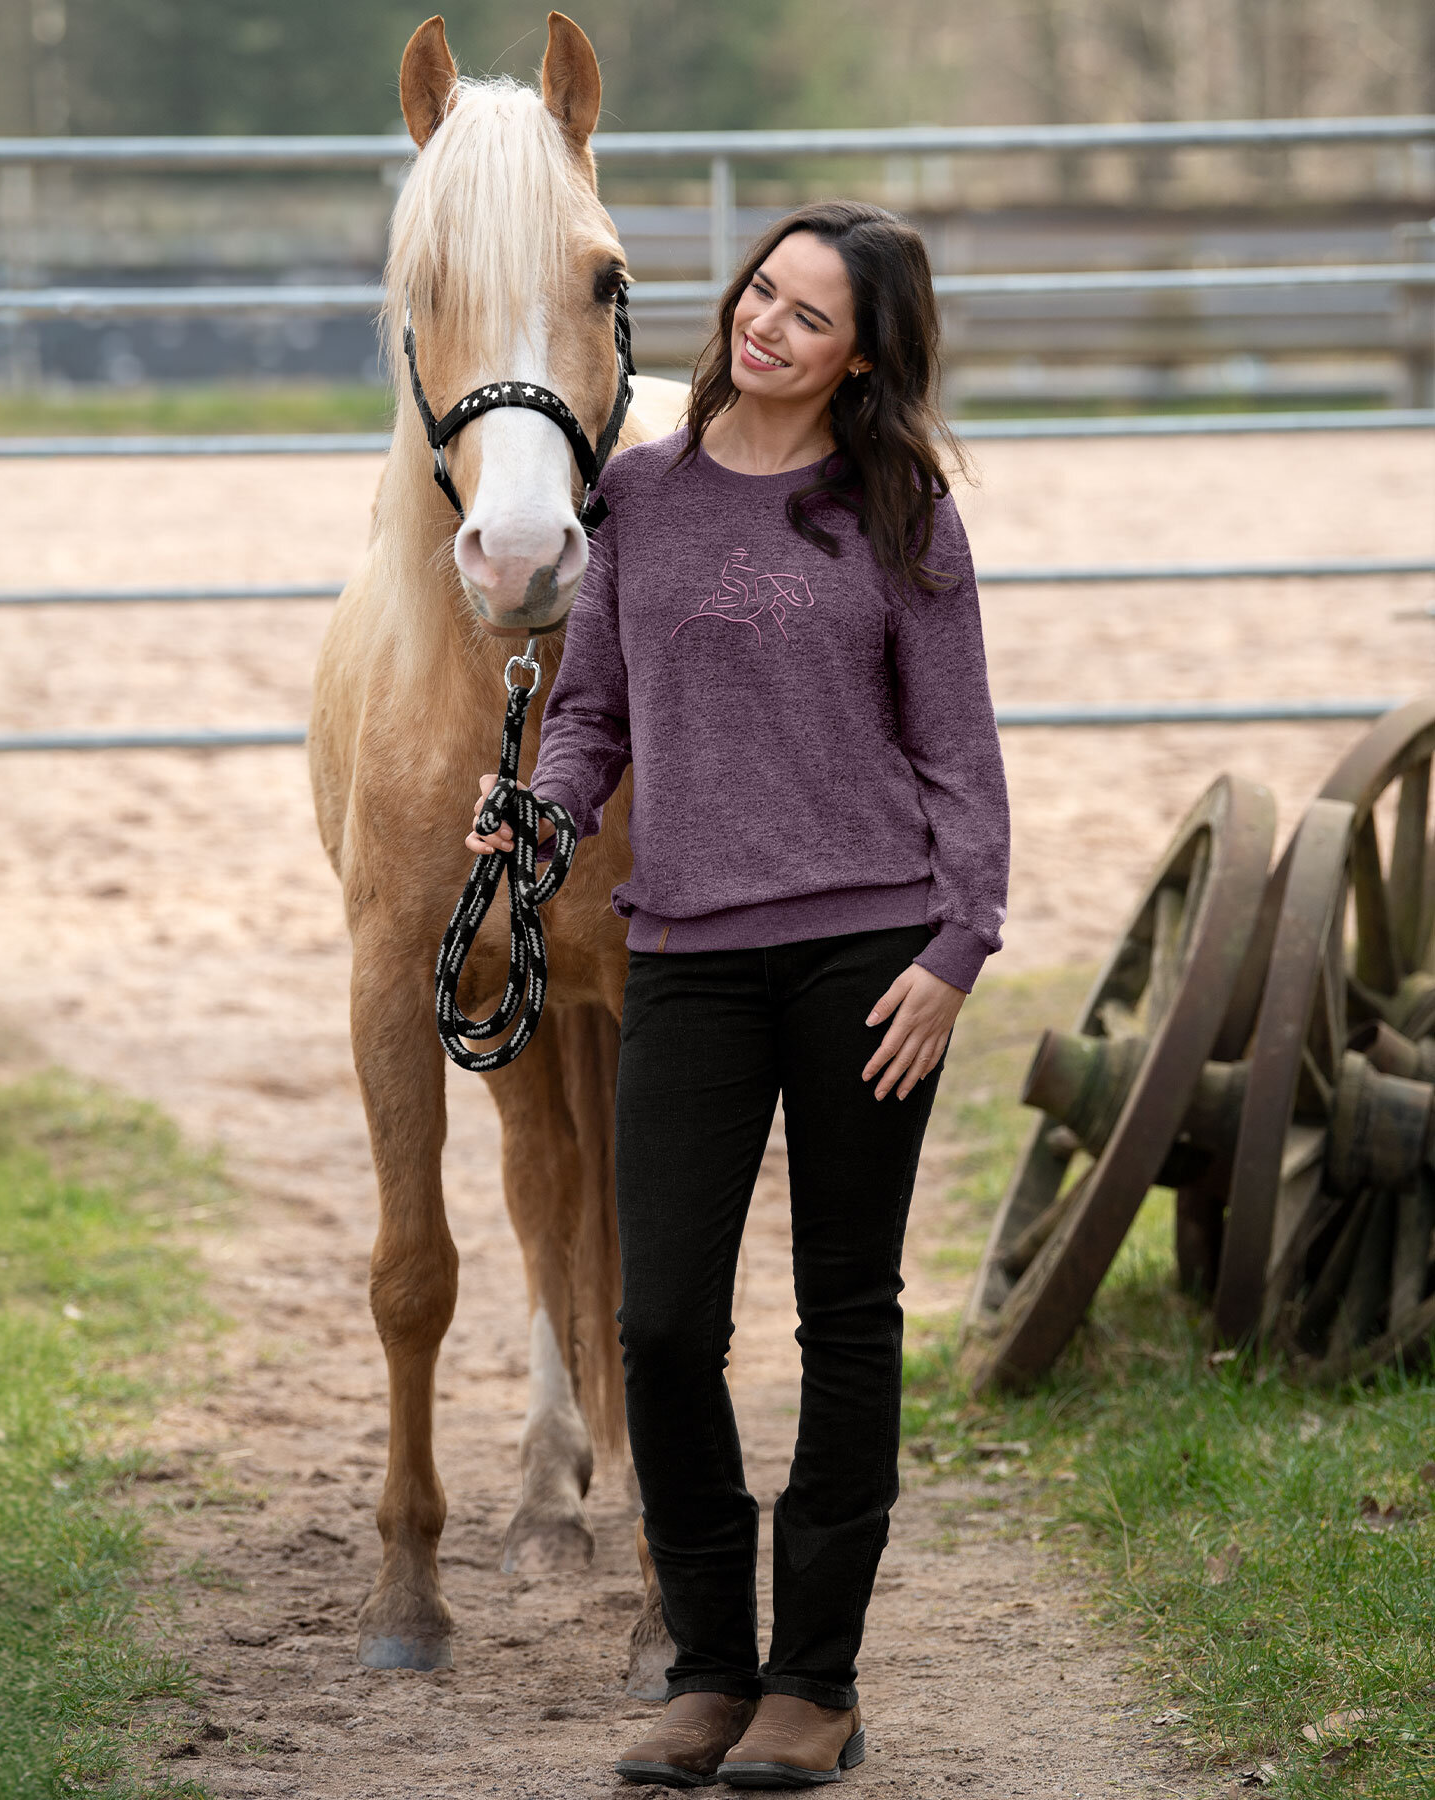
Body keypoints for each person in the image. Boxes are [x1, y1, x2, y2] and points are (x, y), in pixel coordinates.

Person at [466, 200, 1010, 1789]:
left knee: (844, 1318)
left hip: (868, 962)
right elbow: (594, 716)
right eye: (760, 291)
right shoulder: (634, 496)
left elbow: (958, 756)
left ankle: (814, 1684)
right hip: (687, 952)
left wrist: (954, 949)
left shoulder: (899, 510)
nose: (763, 324)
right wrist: (547, 810)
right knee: (657, 1322)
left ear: (860, 358)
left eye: (808, 315)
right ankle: (709, 1665)